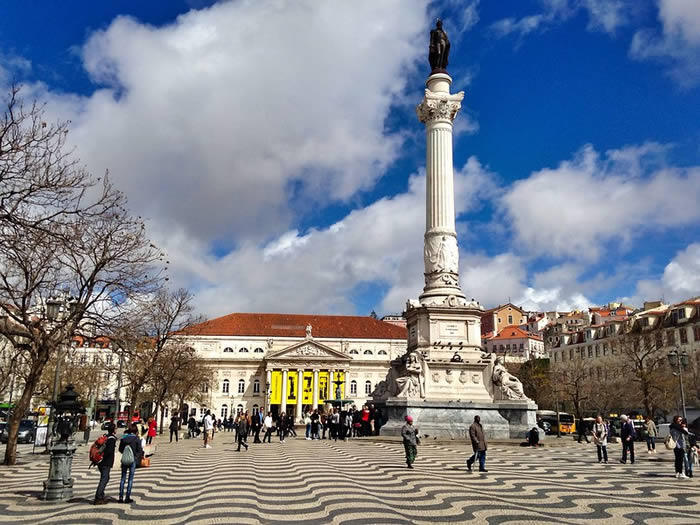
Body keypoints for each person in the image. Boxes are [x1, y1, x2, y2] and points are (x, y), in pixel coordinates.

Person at [119, 423, 144, 504]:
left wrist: (126, 454)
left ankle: (120, 497)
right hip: (132, 460)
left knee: (123, 478)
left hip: (125, 460)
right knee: (130, 479)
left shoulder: (123, 439)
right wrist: (136, 458)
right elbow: (139, 450)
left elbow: (120, 449)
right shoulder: (136, 439)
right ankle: (127, 497)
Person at [94, 422, 117, 505]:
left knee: (105, 478)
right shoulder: (111, 439)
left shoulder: (106, 437)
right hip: (105, 462)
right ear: (114, 430)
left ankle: (100, 495)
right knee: (104, 478)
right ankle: (99, 497)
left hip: (101, 461)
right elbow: (109, 451)